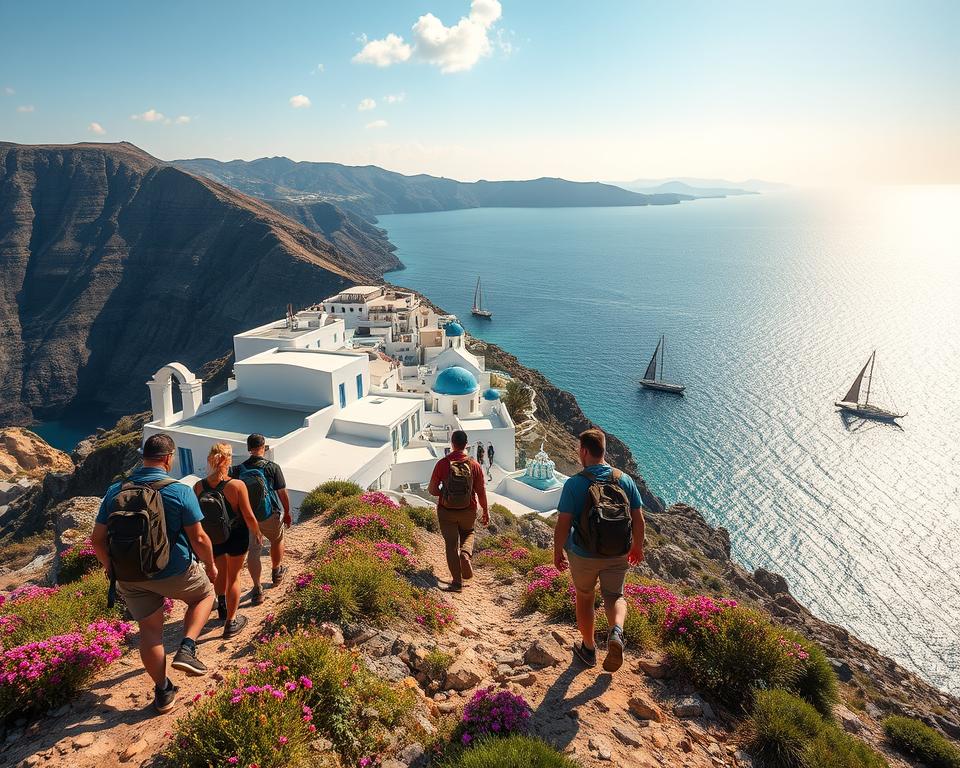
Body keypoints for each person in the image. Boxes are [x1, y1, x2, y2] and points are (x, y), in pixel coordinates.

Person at [91, 433, 217, 714]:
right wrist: (210, 564)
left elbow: (97, 539)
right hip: (174, 572)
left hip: (129, 576)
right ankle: (187, 648)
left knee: (150, 633)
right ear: (168, 458)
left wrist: (111, 568)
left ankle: (163, 691)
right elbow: (198, 538)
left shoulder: (115, 491)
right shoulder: (179, 491)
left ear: (143, 456)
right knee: (205, 594)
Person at [554, 428, 645, 673]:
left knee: (585, 597)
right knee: (615, 596)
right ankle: (616, 632)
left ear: (584, 451)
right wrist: (636, 546)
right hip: (618, 553)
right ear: (604, 450)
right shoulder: (624, 479)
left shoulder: (574, 484)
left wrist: (557, 551)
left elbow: (563, 522)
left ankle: (588, 648)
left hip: (583, 553)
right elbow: (638, 519)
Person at [194, 443, 263, 639]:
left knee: (221, 574)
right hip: (236, 535)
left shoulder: (198, 486)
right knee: (234, 577)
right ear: (228, 460)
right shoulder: (237, 485)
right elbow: (248, 515)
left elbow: (196, 516)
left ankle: (222, 607)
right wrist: (257, 532)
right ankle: (231, 623)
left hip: (212, 537)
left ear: (211, 459)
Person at [232, 434, 292, 606]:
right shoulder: (272, 467)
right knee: (277, 539)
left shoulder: (238, 470)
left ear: (249, 448)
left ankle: (257, 589)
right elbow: (282, 493)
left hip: (248, 517)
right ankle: (276, 571)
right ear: (263, 447)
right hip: (268, 514)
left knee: (254, 551)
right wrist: (287, 512)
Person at [428, 430, 489, 592]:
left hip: (446, 511)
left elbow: (432, 489)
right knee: (468, 533)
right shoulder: (474, 465)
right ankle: (465, 555)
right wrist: (485, 511)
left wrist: (445, 493)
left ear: (452, 443)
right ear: (466, 444)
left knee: (451, 545)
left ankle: (456, 582)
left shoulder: (442, 464)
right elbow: (481, 492)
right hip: (468, 510)